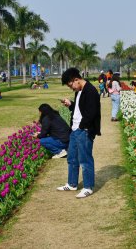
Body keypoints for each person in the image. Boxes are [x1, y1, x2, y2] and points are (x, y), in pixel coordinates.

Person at [57, 67, 101, 199]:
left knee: (85, 159)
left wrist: (82, 127)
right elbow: (79, 107)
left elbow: (91, 113)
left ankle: (88, 187)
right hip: (75, 130)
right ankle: (72, 184)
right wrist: (70, 104)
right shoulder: (80, 91)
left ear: (76, 79)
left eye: (71, 85)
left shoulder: (91, 91)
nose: (71, 88)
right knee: (72, 158)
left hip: (84, 131)